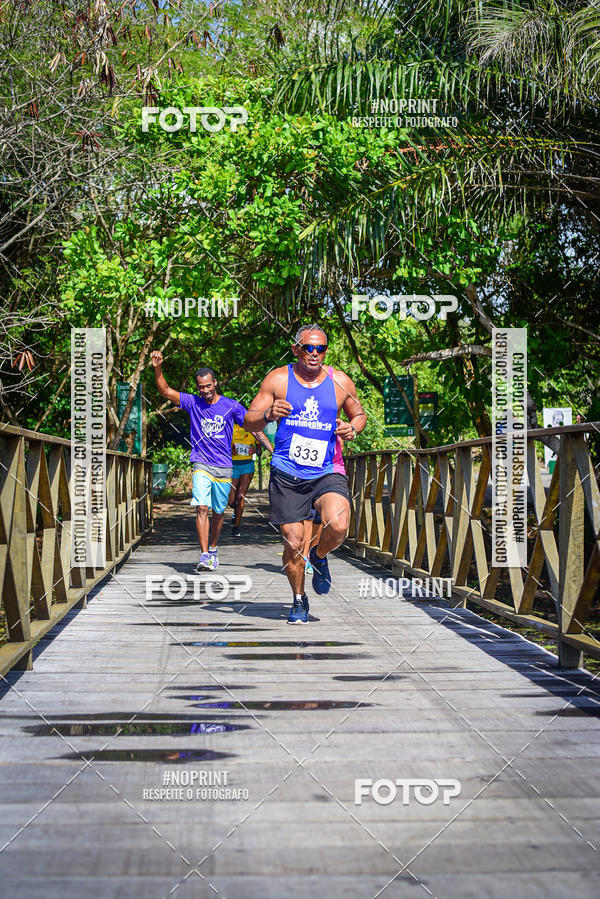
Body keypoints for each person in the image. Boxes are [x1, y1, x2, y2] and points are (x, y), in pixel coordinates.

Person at [244, 324, 366, 623]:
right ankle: (299, 599)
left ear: (326, 351)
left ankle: (320, 555)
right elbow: (249, 421)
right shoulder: (279, 379)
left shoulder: (339, 381)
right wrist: (268, 414)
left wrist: (353, 428)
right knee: (294, 541)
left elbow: (359, 414)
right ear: (296, 348)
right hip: (287, 472)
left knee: (338, 524)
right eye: (308, 348)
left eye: (320, 349)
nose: (314, 354)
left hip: (326, 470)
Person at [150, 351, 247, 572]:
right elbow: (165, 391)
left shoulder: (231, 406)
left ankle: (213, 548)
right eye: (200, 387)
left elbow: (251, 422)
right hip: (201, 463)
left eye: (207, 386)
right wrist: (157, 367)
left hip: (224, 466)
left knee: (219, 512)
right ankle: (204, 555)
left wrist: (270, 420)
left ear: (215, 383)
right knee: (202, 507)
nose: (204, 390)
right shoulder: (192, 402)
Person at [229, 423, 274, 536]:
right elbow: (224, 448)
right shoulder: (232, 428)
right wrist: (230, 451)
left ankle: (236, 526)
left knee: (240, 497)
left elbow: (259, 452)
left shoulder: (253, 430)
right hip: (233, 465)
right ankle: (236, 510)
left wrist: (255, 451)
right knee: (231, 501)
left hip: (247, 465)